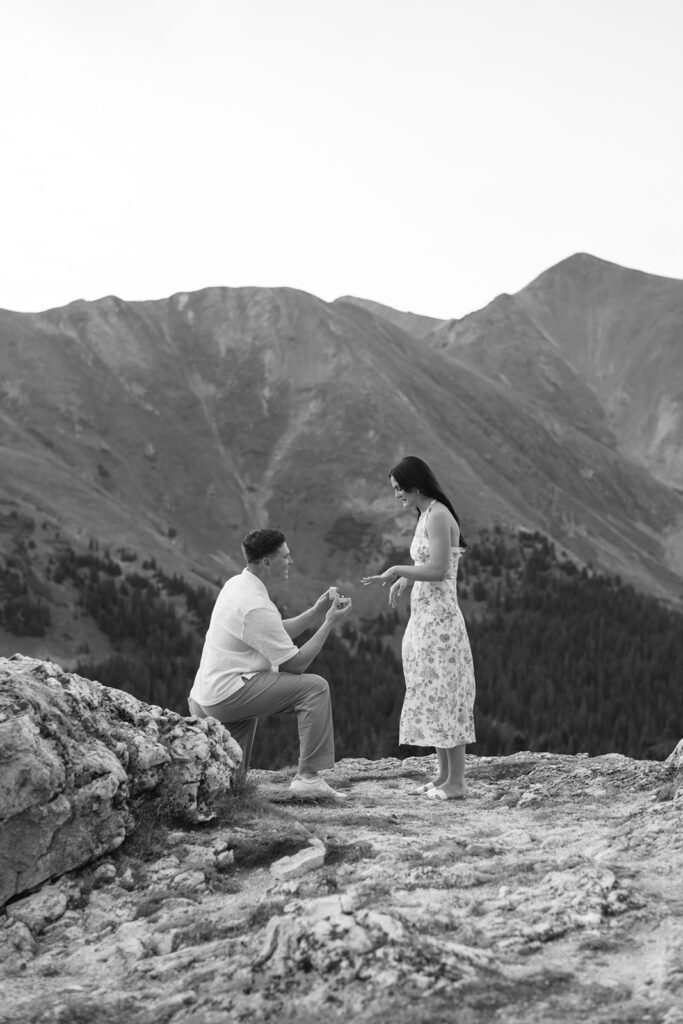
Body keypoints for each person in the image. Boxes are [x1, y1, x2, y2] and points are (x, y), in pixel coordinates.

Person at [188, 528, 352, 800]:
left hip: (207, 695)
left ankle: (216, 793)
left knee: (231, 787)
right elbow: (296, 665)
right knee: (315, 688)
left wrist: (315, 612)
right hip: (229, 695)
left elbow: (271, 632)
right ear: (267, 562)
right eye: (285, 556)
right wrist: (329, 623)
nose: (291, 561)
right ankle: (308, 778)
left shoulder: (236, 585)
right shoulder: (255, 605)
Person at [362, 456, 476, 800]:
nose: (397, 495)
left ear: (415, 484)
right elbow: (425, 565)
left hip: (441, 621)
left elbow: (440, 569)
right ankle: (443, 775)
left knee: (448, 695)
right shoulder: (426, 515)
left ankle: (457, 782)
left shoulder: (439, 514)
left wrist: (398, 570)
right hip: (426, 619)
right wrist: (406, 581)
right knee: (434, 693)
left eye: (399, 488)